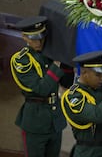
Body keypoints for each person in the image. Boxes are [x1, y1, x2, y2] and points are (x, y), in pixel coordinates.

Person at [10, 16, 67, 157]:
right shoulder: (21, 60)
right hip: (35, 121)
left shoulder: (49, 54)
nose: (39, 41)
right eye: (34, 38)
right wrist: (57, 64)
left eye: (41, 37)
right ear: (24, 37)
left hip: (55, 120)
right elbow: (41, 89)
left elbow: (66, 80)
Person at [61, 50, 102, 157]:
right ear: (85, 72)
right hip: (89, 152)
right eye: (98, 74)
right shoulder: (73, 96)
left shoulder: (98, 89)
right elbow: (98, 115)